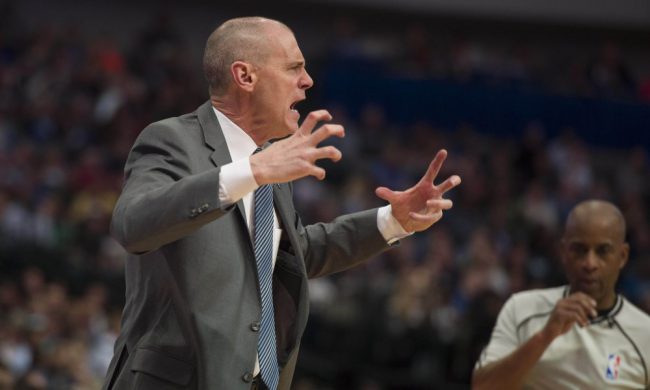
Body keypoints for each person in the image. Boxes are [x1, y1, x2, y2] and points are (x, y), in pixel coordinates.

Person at [102, 17, 461, 390]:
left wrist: (393, 220)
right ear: (245, 76)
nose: (308, 81)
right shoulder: (172, 139)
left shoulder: (270, 158)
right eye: (294, 67)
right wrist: (252, 171)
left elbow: (288, 256)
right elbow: (132, 224)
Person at [473, 200, 650, 390]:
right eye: (579, 250)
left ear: (622, 256)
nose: (590, 263)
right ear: (564, 252)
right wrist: (545, 336)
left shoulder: (644, 333)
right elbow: (482, 386)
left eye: (602, 251)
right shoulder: (521, 308)